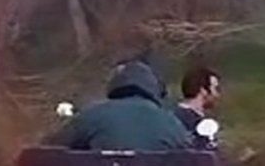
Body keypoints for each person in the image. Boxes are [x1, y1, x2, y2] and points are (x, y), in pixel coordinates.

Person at [48, 59, 193, 151]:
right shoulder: (170, 122)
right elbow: (191, 157)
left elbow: (49, 149)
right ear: (154, 89)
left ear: (114, 85)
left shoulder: (92, 115)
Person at [174, 66, 221, 138]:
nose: (217, 94)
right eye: (215, 88)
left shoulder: (171, 116)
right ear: (203, 90)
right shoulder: (198, 126)